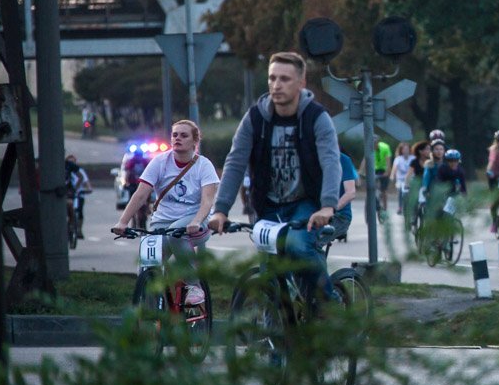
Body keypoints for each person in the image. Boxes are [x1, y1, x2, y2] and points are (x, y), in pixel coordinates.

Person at [208, 51, 342, 304]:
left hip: (305, 203)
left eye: (285, 79)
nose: (276, 85)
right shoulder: (256, 118)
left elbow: (330, 161)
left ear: (301, 83)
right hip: (267, 206)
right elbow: (235, 162)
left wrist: (327, 205)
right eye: (272, 78)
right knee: (270, 272)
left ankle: (329, 305)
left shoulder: (316, 117)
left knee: (299, 246)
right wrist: (220, 210)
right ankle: (278, 332)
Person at [112, 120, 218, 307]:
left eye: (183, 135)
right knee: (148, 260)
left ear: (195, 141)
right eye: (174, 135)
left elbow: (207, 201)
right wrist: (123, 222)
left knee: (177, 234)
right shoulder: (160, 162)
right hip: (161, 221)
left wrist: (196, 220)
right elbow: (141, 194)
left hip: (194, 221)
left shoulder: (204, 165)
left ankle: (194, 286)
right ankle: (152, 313)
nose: (177, 138)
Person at [331, 151, 358, 240]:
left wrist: (330, 210)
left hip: (339, 214)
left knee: (308, 243)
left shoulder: (343, 159)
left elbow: (351, 192)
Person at [65, 154, 92, 237]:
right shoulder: (65, 170)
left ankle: (79, 229)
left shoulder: (79, 171)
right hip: (67, 194)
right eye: (70, 162)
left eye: (73, 162)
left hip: (78, 194)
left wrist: (87, 189)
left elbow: (85, 182)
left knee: (79, 211)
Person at [390, 142, 412, 214]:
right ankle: (400, 207)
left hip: (411, 180)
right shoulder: (398, 159)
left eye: (407, 149)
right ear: (401, 150)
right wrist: (392, 175)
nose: (406, 151)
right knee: (400, 191)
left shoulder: (413, 158)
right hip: (400, 180)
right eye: (404, 149)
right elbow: (394, 168)